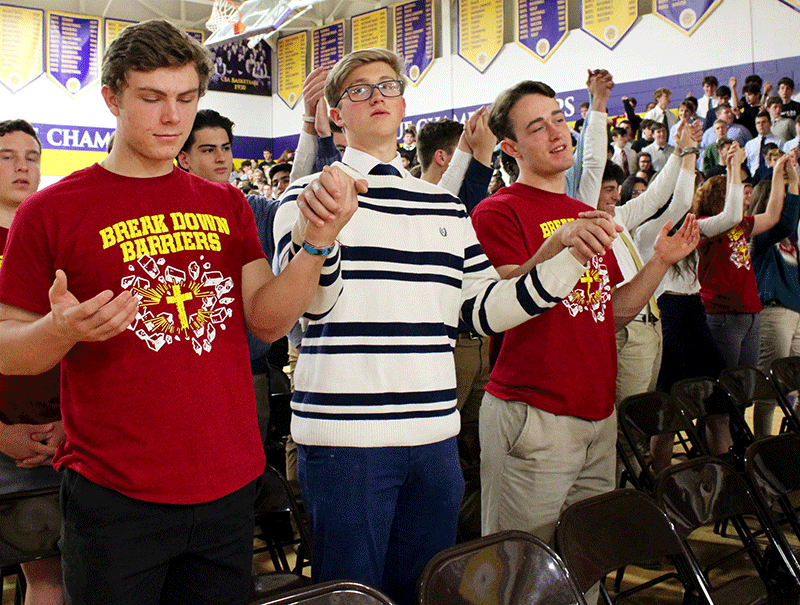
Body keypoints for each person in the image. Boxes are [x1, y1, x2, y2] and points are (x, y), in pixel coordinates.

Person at [0, 20, 356, 605]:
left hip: (227, 482)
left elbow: (266, 320)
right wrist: (57, 330)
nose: (173, 117)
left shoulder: (226, 203)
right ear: (112, 98)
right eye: (152, 98)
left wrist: (316, 242)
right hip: (116, 491)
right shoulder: (50, 212)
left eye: (186, 99)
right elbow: (12, 350)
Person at [272, 49, 621, 605]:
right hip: (347, 442)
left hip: (434, 439)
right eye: (358, 91)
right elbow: (310, 304)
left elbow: (483, 311)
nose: (377, 96)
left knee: (424, 590)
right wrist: (324, 232)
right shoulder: (309, 193)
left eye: (387, 85)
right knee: (351, 595)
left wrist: (568, 260)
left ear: (404, 104)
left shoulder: (443, 206)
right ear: (337, 114)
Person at [470, 78, 698, 584]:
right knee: (522, 572)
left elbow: (609, 311)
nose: (557, 133)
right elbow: (501, 298)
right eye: (537, 126)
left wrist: (660, 261)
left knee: (587, 565)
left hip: (598, 415)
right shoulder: (497, 212)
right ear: (509, 148)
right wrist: (557, 249)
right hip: (535, 414)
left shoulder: (583, 212)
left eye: (558, 118)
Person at [177, 108, 284, 447]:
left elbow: (297, 199)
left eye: (226, 148)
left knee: (252, 460)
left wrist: (312, 128)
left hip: (249, 366)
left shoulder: (252, 208)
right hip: (185, 371)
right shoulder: (165, 215)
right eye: (208, 150)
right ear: (184, 157)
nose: (222, 157)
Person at [0, 119, 64, 605]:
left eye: (32, 156)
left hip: (65, 433)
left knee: (61, 578)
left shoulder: (56, 239)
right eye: (6, 156)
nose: (22, 166)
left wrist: (71, 421)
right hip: (9, 439)